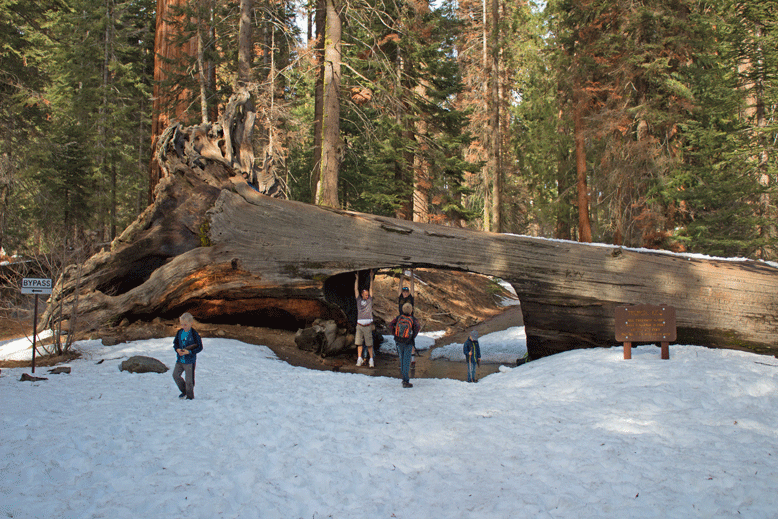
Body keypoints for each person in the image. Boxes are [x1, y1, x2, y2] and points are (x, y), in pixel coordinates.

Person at [172, 312, 204, 399]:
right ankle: (184, 391)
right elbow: (175, 343)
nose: (183, 326)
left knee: (189, 380)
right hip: (180, 359)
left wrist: (189, 352)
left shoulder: (194, 334)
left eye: (185, 324)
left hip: (190, 361)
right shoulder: (179, 332)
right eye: (182, 324)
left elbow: (200, 347)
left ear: (191, 323)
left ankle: (190, 397)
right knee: (175, 375)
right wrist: (177, 349)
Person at [391, 302, 420, 388]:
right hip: (408, 342)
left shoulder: (398, 318)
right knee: (406, 361)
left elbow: (391, 325)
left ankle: (404, 379)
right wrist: (412, 336)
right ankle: (405, 381)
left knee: (402, 360)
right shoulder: (413, 319)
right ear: (411, 310)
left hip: (399, 341)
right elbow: (417, 327)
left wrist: (395, 334)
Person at [354, 270, 375, 368]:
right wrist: (357, 279)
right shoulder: (359, 300)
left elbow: (371, 288)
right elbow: (356, 290)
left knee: (369, 344)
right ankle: (359, 358)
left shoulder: (370, 300)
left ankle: (371, 359)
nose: (367, 296)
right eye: (366, 295)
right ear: (362, 294)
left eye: (368, 295)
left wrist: (371, 278)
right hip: (359, 326)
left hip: (367, 326)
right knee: (359, 343)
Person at [398, 270, 419, 360]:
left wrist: (411, 275)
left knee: (410, 339)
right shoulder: (400, 297)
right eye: (404, 292)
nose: (405, 293)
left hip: (410, 320)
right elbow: (399, 286)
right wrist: (402, 275)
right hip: (401, 320)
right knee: (401, 338)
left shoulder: (411, 297)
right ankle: (402, 358)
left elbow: (412, 287)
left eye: (406, 292)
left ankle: (412, 358)